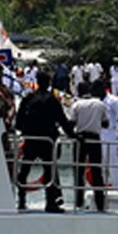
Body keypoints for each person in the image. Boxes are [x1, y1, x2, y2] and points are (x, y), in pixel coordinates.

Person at [15, 70, 75, 212]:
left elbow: (18, 122)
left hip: (31, 139)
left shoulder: (28, 99)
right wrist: (73, 135)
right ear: (49, 83)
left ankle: (21, 200)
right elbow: (62, 120)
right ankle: (50, 202)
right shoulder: (52, 100)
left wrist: (25, 131)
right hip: (48, 140)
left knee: (24, 171)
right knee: (50, 171)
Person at [69, 81, 109, 211]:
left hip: (80, 139)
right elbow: (106, 124)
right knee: (97, 171)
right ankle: (100, 203)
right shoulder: (99, 104)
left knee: (78, 171)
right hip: (94, 139)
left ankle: (79, 202)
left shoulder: (76, 105)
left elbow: (71, 124)